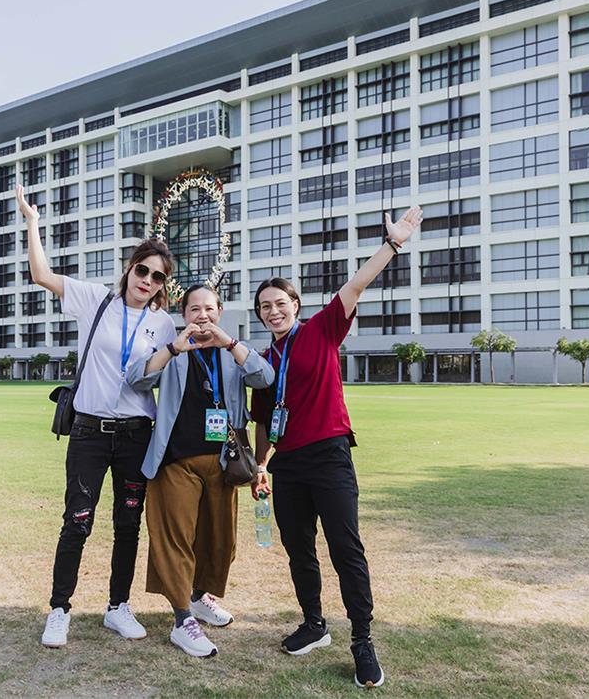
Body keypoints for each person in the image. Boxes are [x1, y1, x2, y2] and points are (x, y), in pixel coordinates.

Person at [250, 207, 422, 689]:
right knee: (298, 548)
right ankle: (314, 623)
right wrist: (261, 465)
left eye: (280, 302)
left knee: (346, 549)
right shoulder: (263, 362)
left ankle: (362, 641)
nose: (273, 310)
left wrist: (392, 245)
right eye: (265, 306)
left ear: (295, 304)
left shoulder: (322, 329)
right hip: (288, 464)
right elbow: (263, 419)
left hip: (329, 454)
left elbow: (356, 285)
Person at [14, 185, 177, 649]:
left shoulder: (163, 325)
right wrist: (33, 222)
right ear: (130, 269)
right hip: (88, 432)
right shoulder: (94, 300)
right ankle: (60, 609)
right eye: (142, 270)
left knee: (128, 524)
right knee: (78, 521)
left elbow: (168, 378)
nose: (147, 280)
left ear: (163, 286)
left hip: (135, 435)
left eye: (157, 277)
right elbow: (41, 273)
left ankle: (117, 607)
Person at [126, 283, 274, 658]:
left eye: (209, 309)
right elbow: (136, 378)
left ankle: (197, 598)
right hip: (175, 461)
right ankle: (181, 620)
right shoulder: (174, 351)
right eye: (194, 310)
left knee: (218, 541)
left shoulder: (232, 352)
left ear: (220, 312)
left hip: (224, 463)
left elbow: (265, 378)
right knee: (175, 537)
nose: (202, 316)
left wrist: (229, 344)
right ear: (184, 315)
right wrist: (174, 347)